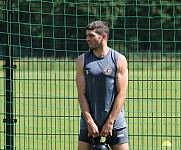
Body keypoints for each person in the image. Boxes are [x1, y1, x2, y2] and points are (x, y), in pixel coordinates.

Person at [76, 20, 129, 150]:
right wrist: (89, 122)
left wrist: (110, 122)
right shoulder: (82, 60)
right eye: (87, 35)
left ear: (103, 37)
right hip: (89, 122)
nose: (87, 39)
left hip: (115, 123)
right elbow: (81, 94)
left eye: (91, 36)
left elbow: (122, 94)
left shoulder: (119, 59)